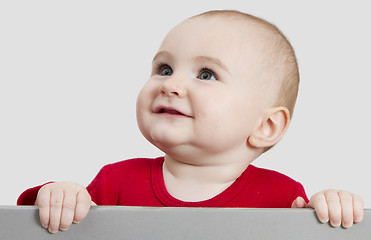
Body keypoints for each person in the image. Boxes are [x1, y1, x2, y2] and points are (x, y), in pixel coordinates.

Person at [17, 10, 364, 233]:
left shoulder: (282, 197)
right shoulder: (114, 184)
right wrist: (59, 196)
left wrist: (331, 211)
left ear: (265, 127)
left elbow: (323, 228)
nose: (170, 84)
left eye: (207, 74)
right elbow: (43, 224)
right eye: (164, 69)